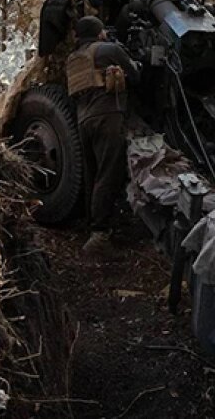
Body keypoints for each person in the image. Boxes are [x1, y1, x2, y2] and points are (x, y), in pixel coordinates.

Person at [65, 16, 139, 259]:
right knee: (109, 173)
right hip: (107, 116)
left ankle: (93, 228)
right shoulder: (108, 49)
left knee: (93, 175)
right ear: (99, 33)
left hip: (83, 121)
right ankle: (99, 237)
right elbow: (135, 75)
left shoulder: (73, 59)